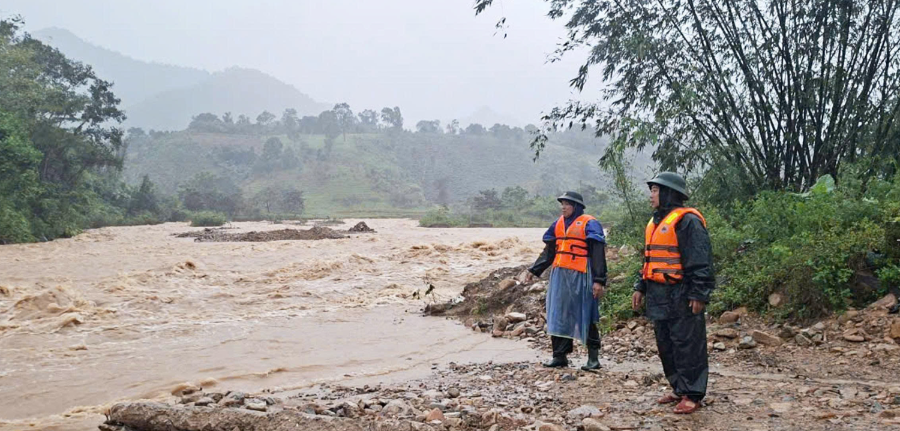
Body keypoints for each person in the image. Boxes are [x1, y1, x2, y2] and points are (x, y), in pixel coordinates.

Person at [632, 172, 714, 414]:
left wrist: (699, 294)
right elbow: (648, 260)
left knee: (687, 343)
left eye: (656, 191)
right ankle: (679, 387)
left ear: (668, 193)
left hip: (681, 292)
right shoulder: (656, 222)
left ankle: (694, 393)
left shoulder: (688, 222)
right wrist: (640, 286)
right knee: (666, 343)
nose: (651, 195)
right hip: (658, 293)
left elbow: (701, 260)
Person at [526, 191, 607, 370]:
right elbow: (549, 252)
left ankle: (593, 359)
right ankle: (560, 356)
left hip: (582, 274)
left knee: (586, 313)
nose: (563, 207)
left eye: (567, 204)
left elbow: (597, 253)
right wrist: (534, 269)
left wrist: (599, 280)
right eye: (562, 203)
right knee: (558, 313)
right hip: (560, 275)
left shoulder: (590, 224)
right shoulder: (558, 224)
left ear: (576, 207)